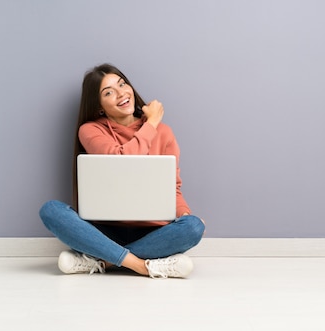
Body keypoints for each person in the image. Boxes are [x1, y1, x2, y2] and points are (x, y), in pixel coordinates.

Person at [39, 63, 205, 278]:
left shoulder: (164, 133)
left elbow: (172, 186)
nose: (121, 93)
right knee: (51, 210)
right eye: (108, 92)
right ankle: (143, 265)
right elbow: (122, 160)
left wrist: (184, 214)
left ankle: (102, 262)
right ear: (99, 106)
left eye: (122, 84)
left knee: (193, 227)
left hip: (152, 232)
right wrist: (152, 122)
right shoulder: (90, 131)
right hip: (103, 231)